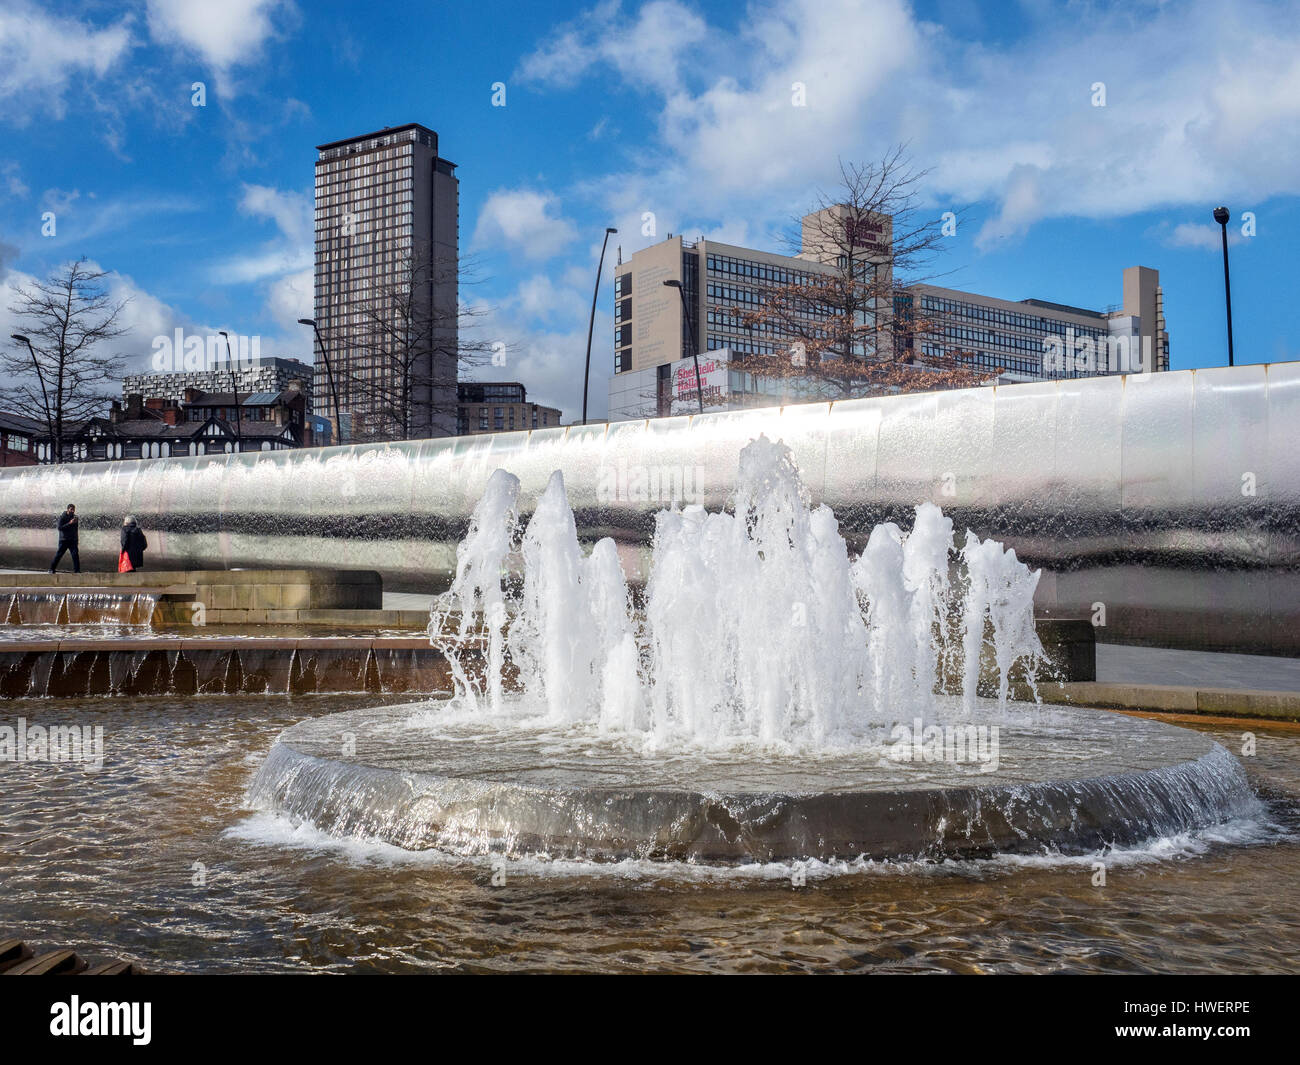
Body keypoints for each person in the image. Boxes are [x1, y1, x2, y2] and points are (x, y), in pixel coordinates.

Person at [49, 503, 80, 573]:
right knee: (59, 555)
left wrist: (77, 539)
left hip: (72, 540)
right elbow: (60, 528)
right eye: (71, 509)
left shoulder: (75, 517)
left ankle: (77, 571)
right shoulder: (62, 517)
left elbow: (76, 529)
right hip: (64, 540)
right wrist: (69, 523)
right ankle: (51, 569)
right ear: (67, 509)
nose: (73, 511)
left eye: (74, 510)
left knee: (75, 555)